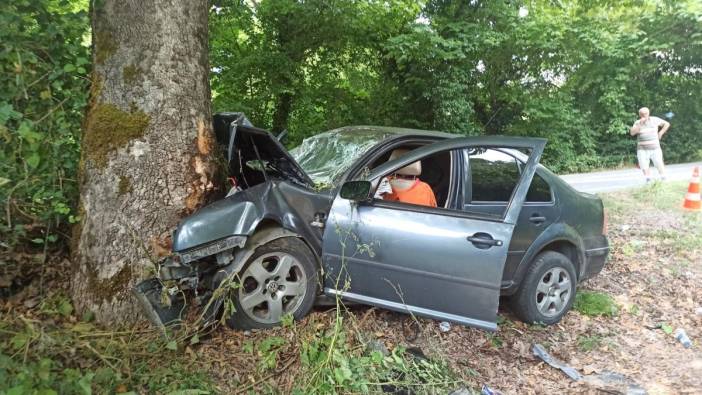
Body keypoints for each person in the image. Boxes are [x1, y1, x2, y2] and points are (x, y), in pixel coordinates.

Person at [630, 107, 670, 182]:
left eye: (645, 113)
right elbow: (632, 133)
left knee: (659, 163)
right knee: (643, 165)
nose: (644, 115)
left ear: (648, 113)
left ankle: (664, 178)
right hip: (642, 149)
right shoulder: (637, 122)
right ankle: (648, 179)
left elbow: (667, 124)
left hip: (655, 147)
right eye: (642, 114)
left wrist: (661, 133)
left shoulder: (654, 120)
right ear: (639, 115)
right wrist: (640, 124)